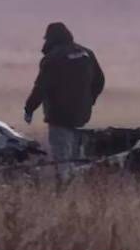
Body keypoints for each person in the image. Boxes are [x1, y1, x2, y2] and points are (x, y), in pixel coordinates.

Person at [23, 22, 105, 167]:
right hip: (81, 116)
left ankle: (65, 186)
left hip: (59, 117)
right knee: (77, 159)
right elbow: (99, 81)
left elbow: (40, 88)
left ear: (50, 39)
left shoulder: (52, 59)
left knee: (62, 160)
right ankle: (77, 184)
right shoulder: (86, 54)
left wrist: (29, 109)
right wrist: (89, 101)